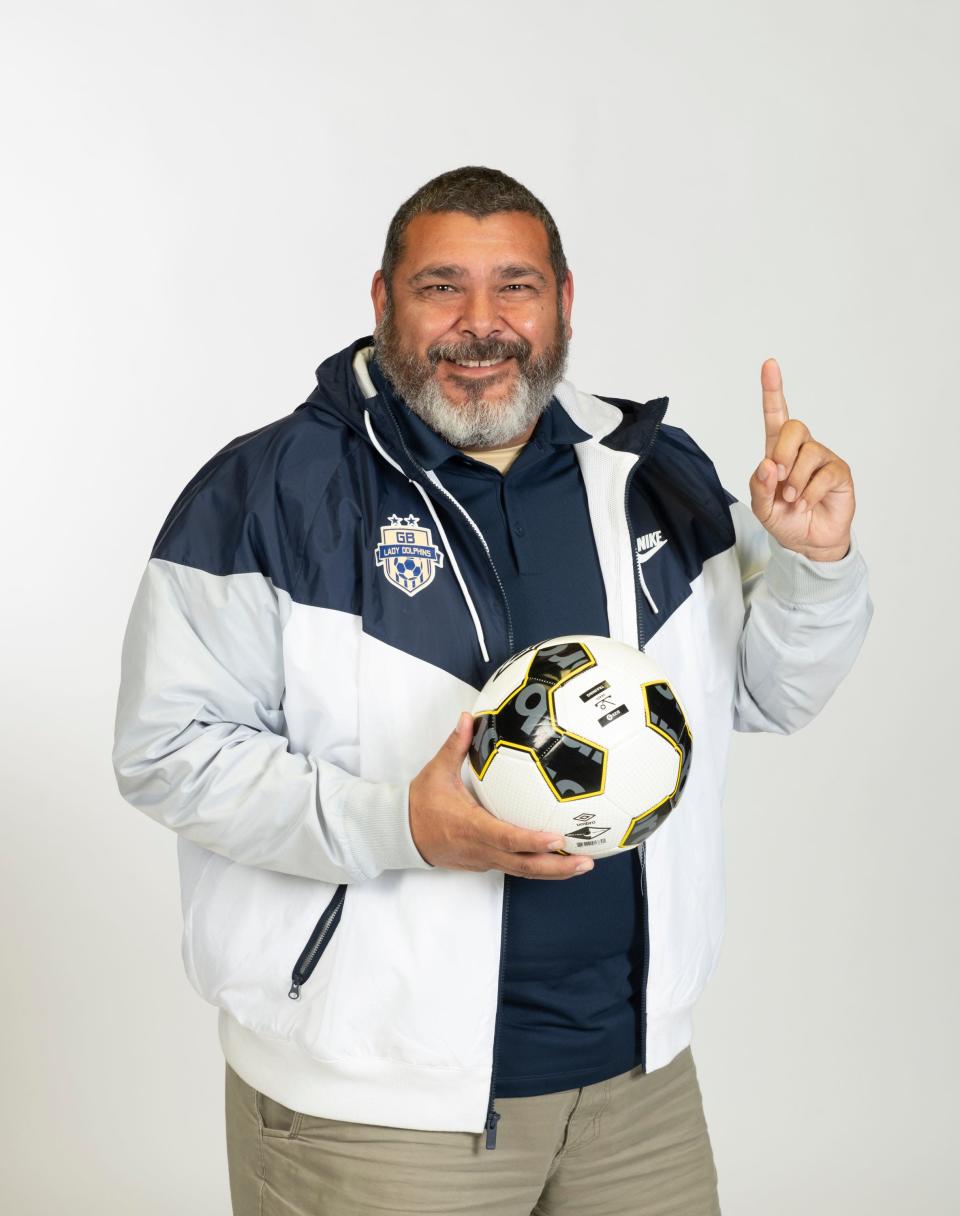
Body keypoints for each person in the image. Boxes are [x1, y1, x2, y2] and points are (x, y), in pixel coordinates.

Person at [112, 165, 872, 1215]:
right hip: (374, 1111)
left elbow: (771, 693)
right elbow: (167, 749)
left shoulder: (650, 470)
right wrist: (400, 825)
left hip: (636, 1087)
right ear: (382, 301)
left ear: (564, 300)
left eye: (515, 285)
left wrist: (815, 565)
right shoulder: (267, 493)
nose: (482, 323)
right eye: (441, 287)